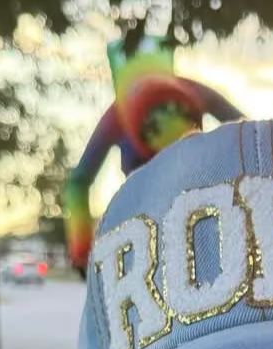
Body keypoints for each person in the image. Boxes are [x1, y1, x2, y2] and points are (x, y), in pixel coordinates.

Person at [62, 29, 243, 279]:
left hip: (165, 217)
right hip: (186, 211)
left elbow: (79, 181)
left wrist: (82, 251)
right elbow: (250, 132)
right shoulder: (191, 92)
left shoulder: (120, 113)